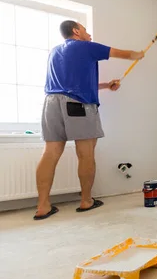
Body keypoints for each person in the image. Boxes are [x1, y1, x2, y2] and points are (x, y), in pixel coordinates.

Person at [33, 20, 144, 220]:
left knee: (49, 153)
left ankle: (43, 206)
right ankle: (86, 201)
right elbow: (125, 54)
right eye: (85, 29)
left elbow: (69, 84)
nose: (89, 33)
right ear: (76, 31)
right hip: (78, 105)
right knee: (85, 153)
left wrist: (105, 86)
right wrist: (138, 54)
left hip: (51, 104)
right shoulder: (86, 47)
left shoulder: (55, 52)